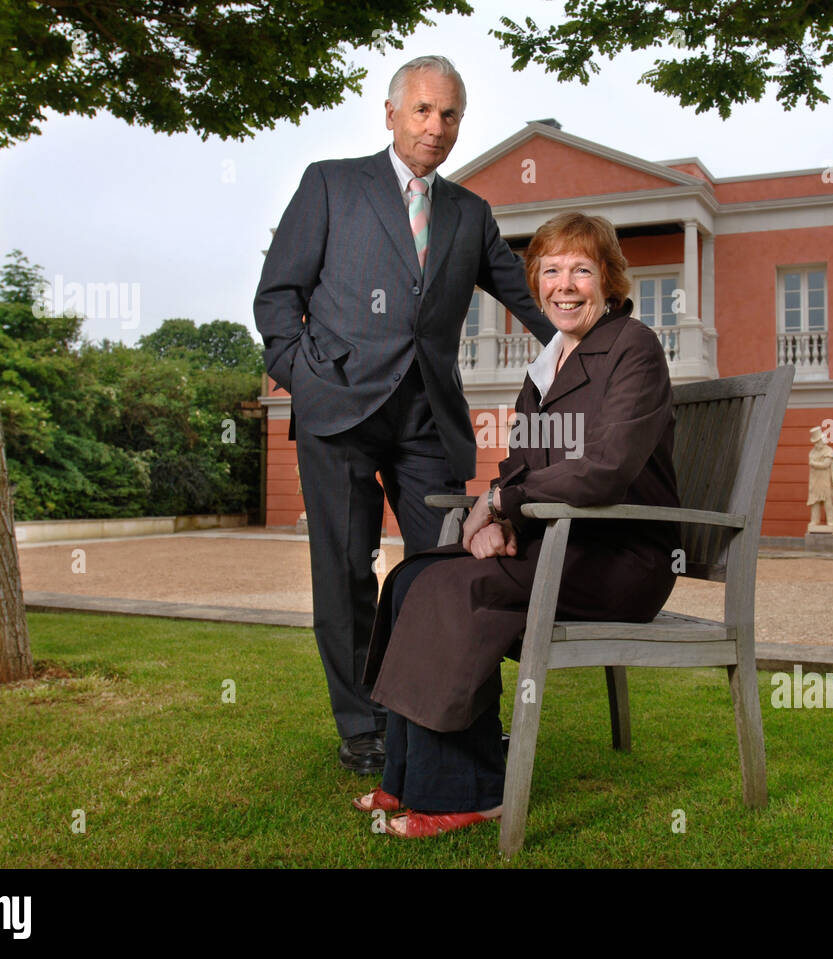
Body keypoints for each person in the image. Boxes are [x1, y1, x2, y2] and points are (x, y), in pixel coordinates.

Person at [252, 56, 556, 775]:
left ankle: (461, 723)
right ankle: (365, 726)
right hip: (340, 411)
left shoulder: (470, 213)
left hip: (428, 419)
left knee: (450, 568)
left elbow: (522, 294)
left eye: (449, 114)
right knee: (346, 570)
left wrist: (589, 339)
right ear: (390, 114)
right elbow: (276, 296)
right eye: (422, 111)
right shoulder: (330, 184)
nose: (436, 127)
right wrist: (307, 378)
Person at [352, 212, 681, 837]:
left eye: (582, 269)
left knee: (458, 591)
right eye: (551, 270)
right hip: (554, 545)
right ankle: (406, 775)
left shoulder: (632, 347)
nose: (565, 284)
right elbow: (520, 464)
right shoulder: (547, 363)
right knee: (413, 580)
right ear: (536, 282)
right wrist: (491, 515)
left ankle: (470, 791)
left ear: (608, 279)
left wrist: (502, 504)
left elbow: (605, 470)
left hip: (622, 558)